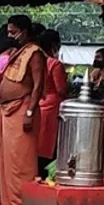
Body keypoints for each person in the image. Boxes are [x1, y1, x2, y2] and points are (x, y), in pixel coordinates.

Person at [0, 14, 47, 205]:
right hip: (8, 111)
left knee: (21, 160)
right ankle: (8, 203)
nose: (10, 35)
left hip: (23, 110)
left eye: (12, 31)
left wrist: (29, 112)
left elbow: (37, 85)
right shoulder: (18, 52)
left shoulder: (35, 53)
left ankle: (21, 203)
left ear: (24, 31)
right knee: (7, 160)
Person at [37, 29, 68, 178]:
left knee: (39, 144)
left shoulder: (36, 61)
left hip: (39, 103)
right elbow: (61, 89)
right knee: (51, 145)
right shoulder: (55, 64)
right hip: (53, 106)